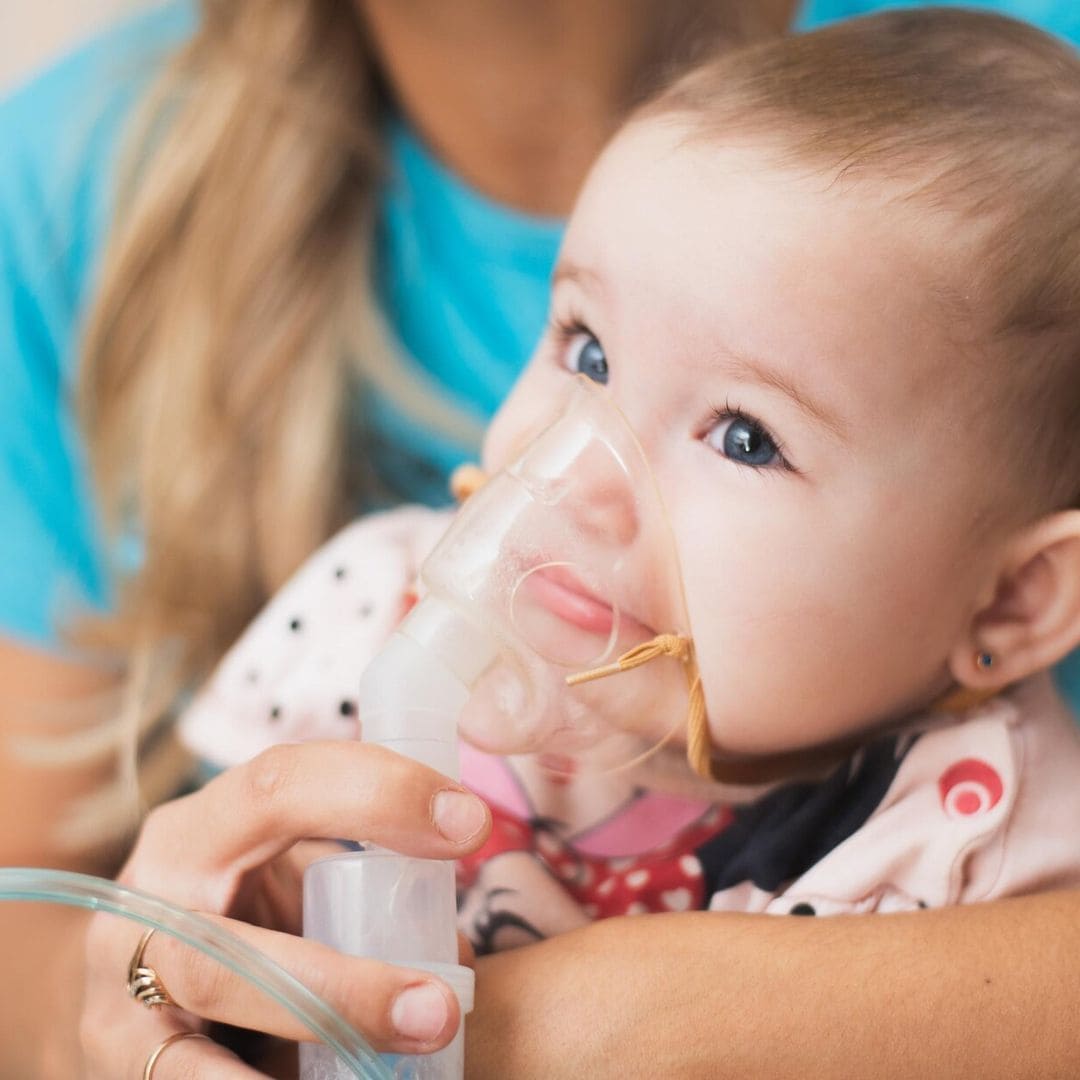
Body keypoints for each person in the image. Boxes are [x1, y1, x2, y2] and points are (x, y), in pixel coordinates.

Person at [4, 4, 1080, 1080]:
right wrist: (207, 977)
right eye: (589, 354)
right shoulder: (365, 624)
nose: (578, 471)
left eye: (745, 438)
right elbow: (96, 932)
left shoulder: (982, 838)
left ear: (1014, 605)